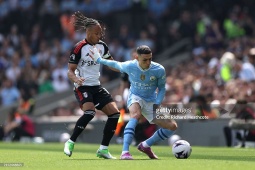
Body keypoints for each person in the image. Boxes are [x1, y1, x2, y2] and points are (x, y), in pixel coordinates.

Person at [90, 45, 178, 160]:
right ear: (137, 58)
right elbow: (115, 64)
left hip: (151, 101)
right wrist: (99, 60)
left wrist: (157, 103)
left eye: (150, 59)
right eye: (145, 60)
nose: (148, 62)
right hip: (135, 96)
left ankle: (146, 145)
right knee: (135, 115)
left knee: (172, 126)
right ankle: (125, 152)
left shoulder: (159, 69)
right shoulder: (130, 66)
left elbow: (161, 88)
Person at [63, 11, 120, 159]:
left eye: (100, 33)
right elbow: (69, 71)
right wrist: (76, 79)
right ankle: (70, 141)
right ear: (88, 32)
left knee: (114, 114)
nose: (99, 36)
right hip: (82, 86)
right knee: (90, 112)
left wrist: (122, 67)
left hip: (96, 86)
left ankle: (103, 149)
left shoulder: (102, 46)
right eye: (96, 33)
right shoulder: (79, 48)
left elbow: (111, 64)